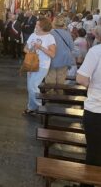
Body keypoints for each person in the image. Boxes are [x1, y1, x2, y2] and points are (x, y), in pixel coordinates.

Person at [76, 25, 101, 187]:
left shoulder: (96, 52)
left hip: (97, 109)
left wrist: (93, 85)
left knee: (94, 153)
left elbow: (81, 79)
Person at [23, 17, 56, 114]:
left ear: (43, 27)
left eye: (37, 25)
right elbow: (25, 48)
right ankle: (31, 107)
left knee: (33, 85)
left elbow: (52, 54)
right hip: (31, 63)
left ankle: (40, 106)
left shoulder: (50, 37)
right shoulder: (33, 35)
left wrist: (40, 47)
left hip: (42, 65)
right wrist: (30, 51)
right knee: (30, 86)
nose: (35, 26)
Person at [46, 16, 74, 85]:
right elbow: (72, 47)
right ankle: (59, 93)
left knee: (50, 81)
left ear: (54, 23)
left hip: (52, 59)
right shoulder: (67, 33)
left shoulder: (50, 33)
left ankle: (51, 94)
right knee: (61, 82)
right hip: (64, 59)